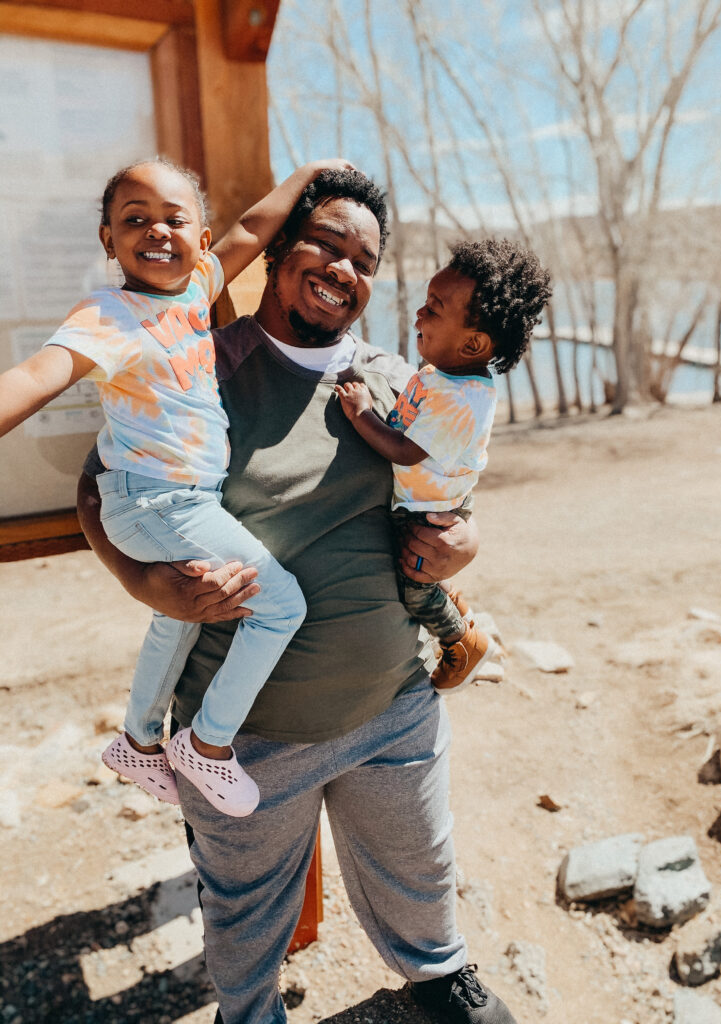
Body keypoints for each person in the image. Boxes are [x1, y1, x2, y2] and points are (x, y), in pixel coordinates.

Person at [77, 168, 519, 1024]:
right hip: (242, 740)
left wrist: (468, 542)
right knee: (245, 924)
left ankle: (439, 978)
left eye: (364, 258)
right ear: (278, 253)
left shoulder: (397, 382)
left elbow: (447, 493)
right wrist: (144, 581)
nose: (342, 267)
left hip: (393, 709)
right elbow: (98, 487)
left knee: (424, 882)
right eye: (325, 241)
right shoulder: (201, 366)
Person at [0, 157, 350, 817]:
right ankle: (208, 746)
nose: (157, 232)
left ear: (202, 241)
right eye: (135, 220)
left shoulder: (194, 289)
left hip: (179, 501)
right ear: (109, 240)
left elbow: (253, 226)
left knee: (179, 611)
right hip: (157, 500)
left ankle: (136, 741)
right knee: (280, 606)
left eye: (174, 219)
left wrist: (307, 176)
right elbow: (34, 376)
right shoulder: (111, 316)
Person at [335, 239, 551, 692]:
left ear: (473, 342)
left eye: (434, 309)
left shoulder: (461, 397)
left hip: (424, 510)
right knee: (420, 573)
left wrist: (360, 414)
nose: (418, 314)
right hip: (427, 495)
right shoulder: (446, 373)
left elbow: (405, 449)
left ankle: (461, 641)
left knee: (414, 585)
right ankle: (451, 600)